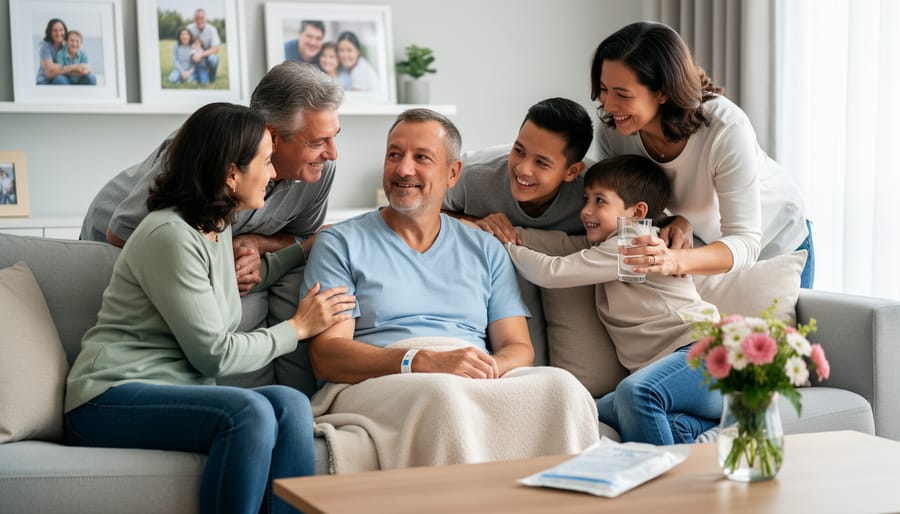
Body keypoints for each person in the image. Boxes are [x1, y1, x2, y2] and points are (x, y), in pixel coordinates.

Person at [63, 102, 356, 514]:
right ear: (231, 173)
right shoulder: (169, 234)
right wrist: (297, 327)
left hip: (174, 394)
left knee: (290, 404)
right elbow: (213, 354)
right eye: (266, 162)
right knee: (249, 411)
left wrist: (305, 249)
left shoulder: (215, 228)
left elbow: (238, 283)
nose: (273, 175)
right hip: (107, 399)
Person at [301, 108, 599, 472]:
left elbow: (518, 348)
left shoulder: (485, 248)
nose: (403, 169)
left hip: (467, 377)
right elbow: (328, 356)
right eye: (394, 154)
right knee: (442, 394)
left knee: (563, 388)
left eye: (421, 158)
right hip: (382, 379)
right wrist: (421, 361)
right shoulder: (341, 243)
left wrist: (485, 367)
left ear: (453, 173)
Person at [506, 154, 722, 445]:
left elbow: (550, 272)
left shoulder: (633, 243)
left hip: (703, 355)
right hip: (681, 380)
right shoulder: (607, 246)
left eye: (599, 201)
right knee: (587, 407)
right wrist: (488, 229)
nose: (585, 211)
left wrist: (504, 244)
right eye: (586, 199)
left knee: (635, 393)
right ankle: (692, 428)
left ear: (637, 212)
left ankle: (653, 484)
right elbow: (556, 245)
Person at [590, 21, 814, 287]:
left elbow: (745, 239)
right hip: (708, 243)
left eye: (622, 94)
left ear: (663, 91)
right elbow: (625, 205)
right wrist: (674, 219)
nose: (609, 104)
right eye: (604, 89)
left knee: (767, 330)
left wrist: (674, 260)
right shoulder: (615, 131)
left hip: (775, 240)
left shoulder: (724, 128)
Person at [442, 97, 594, 242]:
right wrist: (477, 223)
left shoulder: (595, 192)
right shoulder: (469, 174)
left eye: (541, 162)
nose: (523, 169)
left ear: (572, 172)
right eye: (519, 151)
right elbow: (421, 213)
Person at [186, 8, 221, 83]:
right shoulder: (189, 28)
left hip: (207, 56)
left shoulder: (212, 29)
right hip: (193, 56)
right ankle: (191, 74)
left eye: (202, 18)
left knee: (213, 59)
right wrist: (193, 54)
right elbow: (184, 45)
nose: (199, 21)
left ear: (206, 19)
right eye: (197, 18)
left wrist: (200, 55)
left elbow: (216, 49)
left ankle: (211, 77)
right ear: (194, 19)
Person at [35, 18, 67, 85]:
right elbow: (49, 67)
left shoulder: (66, 47)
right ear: (50, 33)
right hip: (45, 80)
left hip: (59, 77)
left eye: (61, 30)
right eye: (55, 31)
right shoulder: (44, 47)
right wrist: (70, 66)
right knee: (60, 81)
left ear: (65, 31)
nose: (58, 33)